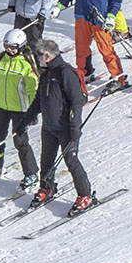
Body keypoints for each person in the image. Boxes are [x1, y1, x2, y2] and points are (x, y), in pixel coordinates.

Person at [30, 38, 95, 215]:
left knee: (71, 160)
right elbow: (38, 100)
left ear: (47, 56)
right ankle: (47, 187)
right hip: (49, 125)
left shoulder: (65, 72)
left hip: (66, 127)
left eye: (39, 56)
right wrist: (25, 119)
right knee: (47, 159)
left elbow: (76, 102)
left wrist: (75, 126)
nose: (38, 59)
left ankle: (85, 195)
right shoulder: (46, 73)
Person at [0, 28, 40, 191]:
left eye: (13, 47)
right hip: (2, 106)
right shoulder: (1, 61)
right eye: (7, 46)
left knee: (20, 141)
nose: (9, 50)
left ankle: (31, 173)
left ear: (21, 46)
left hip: (20, 109)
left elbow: (32, 91)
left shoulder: (26, 65)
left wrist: (32, 112)